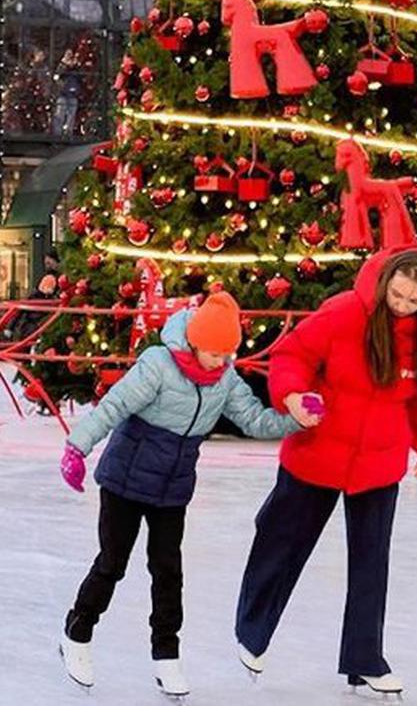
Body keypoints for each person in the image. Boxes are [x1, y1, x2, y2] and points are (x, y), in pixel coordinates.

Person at [58, 292, 314, 699]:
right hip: (125, 482)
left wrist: (294, 421)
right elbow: (114, 406)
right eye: (213, 352)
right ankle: (77, 633)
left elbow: (253, 419)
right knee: (112, 563)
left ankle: (166, 656)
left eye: (227, 353)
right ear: (194, 342)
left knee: (168, 571)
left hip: (172, 489)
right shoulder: (158, 366)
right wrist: (77, 447)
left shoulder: (225, 378)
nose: (219, 361)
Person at [235, 246, 417, 698]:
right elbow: (290, 356)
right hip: (317, 449)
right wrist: (293, 396)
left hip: (379, 460)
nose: (402, 305)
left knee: (372, 563)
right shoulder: (345, 312)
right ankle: (252, 632)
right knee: (282, 540)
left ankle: (365, 660)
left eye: (415, 301)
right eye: (397, 294)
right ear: (386, 281)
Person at [51, 48, 82, 137]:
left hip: (73, 94)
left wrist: (76, 65)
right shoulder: (62, 66)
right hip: (63, 94)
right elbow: (57, 76)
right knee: (60, 115)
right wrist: (64, 64)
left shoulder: (76, 68)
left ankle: (68, 134)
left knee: (71, 116)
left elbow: (81, 77)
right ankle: (57, 135)